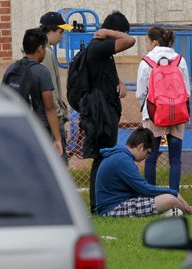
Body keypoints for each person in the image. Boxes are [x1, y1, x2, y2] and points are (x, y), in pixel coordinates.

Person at [82, 11, 136, 214]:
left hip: (103, 111)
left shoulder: (101, 51)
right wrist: (108, 32)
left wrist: (118, 81)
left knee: (102, 156)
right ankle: (97, 205)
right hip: (100, 113)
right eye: (121, 32)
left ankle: (99, 202)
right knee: (101, 157)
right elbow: (130, 41)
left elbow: (102, 73)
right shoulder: (100, 46)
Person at [135, 26, 191, 192]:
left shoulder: (146, 62)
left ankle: (152, 196)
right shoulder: (180, 60)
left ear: (155, 41)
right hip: (177, 113)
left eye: (147, 41)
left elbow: (141, 93)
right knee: (175, 158)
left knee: (151, 156)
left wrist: (145, 110)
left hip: (154, 114)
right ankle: (174, 195)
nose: (146, 45)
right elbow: (186, 90)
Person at [95, 127, 192, 217]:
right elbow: (144, 189)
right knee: (170, 199)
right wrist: (174, 193)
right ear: (140, 147)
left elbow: (140, 189)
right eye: (148, 152)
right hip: (112, 209)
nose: (147, 157)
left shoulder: (121, 157)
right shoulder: (123, 160)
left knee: (167, 198)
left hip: (116, 203)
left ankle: (186, 208)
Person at [3, 28, 62, 155]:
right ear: (40, 48)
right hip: (39, 130)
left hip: (18, 128)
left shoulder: (11, 69)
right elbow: (49, 107)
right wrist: (57, 138)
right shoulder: (41, 72)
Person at [39, 11, 73, 164]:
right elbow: (49, 90)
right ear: (50, 30)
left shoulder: (40, 49)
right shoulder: (45, 53)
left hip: (43, 117)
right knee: (59, 164)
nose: (62, 36)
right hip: (51, 117)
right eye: (60, 32)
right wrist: (58, 117)